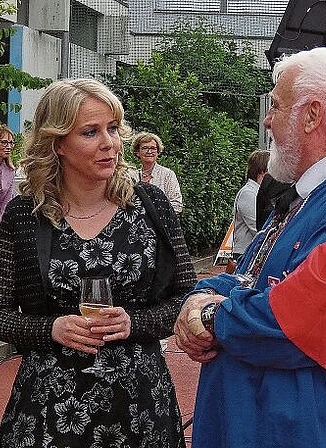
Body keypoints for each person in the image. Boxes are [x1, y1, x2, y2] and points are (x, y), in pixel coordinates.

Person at [174, 47, 326, 447]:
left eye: (275, 105)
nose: (268, 120)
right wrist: (203, 296)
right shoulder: (311, 193)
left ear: (311, 115)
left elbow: (301, 321)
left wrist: (210, 319)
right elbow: (248, 279)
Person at [0, 78, 196, 447]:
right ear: (58, 143)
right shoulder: (25, 214)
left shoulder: (151, 206)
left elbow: (188, 298)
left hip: (139, 404)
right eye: (90, 132)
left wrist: (133, 322)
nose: (109, 143)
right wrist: (52, 329)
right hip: (48, 409)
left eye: (112, 128)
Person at [132, 131, 184, 213]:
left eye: (153, 148)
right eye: (145, 148)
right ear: (137, 152)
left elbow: (177, 205)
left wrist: (156, 216)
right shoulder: (131, 176)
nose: (149, 152)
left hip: (161, 224)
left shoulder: (167, 175)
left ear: (158, 151)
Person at [231, 149, 269, 261]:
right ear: (262, 171)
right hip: (244, 254)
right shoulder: (248, 193)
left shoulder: (259, 192)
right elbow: (258, 227)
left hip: (251, 253)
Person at [0, 124, 16, 220]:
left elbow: (5, 203)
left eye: (11, 143)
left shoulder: (10, 171)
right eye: (4, 142)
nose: (9, 146)